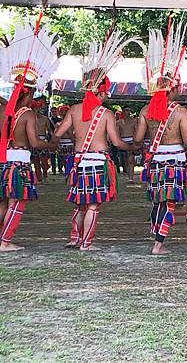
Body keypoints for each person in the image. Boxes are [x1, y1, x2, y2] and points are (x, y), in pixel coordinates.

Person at [52, 29, 137, 251]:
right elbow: (117, 143)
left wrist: (76, 137)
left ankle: (75, 238)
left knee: (80, 203)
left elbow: (57, 135)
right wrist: (133, 147)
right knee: (92, 205)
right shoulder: (107, 114)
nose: (108, 95)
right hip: (98, 162)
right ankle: (86, 243)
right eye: (106, 91)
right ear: (100, 91)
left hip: (79, 160)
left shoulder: (73, 110)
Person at [135, 21, 187, 255]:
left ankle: (157, 237)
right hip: (175, 160)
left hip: (156, 161)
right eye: (177, 86)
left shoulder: (144, 112)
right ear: (171, 88)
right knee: (169, 202)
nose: (179, 90)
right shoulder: (180, 112)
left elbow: (139, 139)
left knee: (157, 200)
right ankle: (158, 244)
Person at [0, 21, 59, 251]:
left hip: (3, 160)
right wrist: (50, 145)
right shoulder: (29, 115)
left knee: (3, 201)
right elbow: (34, 143)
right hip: (19, 162)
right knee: (17, 201)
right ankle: (5, 241)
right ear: (31, 92)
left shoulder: (4, 111)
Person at [31, 97, 52, 183]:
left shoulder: (45, 119)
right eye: (36, 108)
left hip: (43, 140)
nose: (38, 110)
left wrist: (53, 138)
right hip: (33, 140)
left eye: (39, 108)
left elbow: (49, 130)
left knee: (44, 161)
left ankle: (45, 176)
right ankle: (39, 178)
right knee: (36, 161)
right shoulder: (30, 118)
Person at [117, 106, 137, 183]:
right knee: (125, 161)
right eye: (126, 110)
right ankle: (129, 176)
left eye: (129, 110)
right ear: (123, 112)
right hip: (123, 142)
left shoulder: (134, 121)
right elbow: (117, 133)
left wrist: (137, 142)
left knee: (131, 159)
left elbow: (137, 131)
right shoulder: (119, 122)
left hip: (132, 141)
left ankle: (131, 178)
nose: (128, 112)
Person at [48, 106, 61, 175]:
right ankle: (53, 170)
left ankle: (60, 168)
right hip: (51, 138)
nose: (54, 113)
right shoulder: (49, 120)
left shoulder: (60, 119)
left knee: (59, 155)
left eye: (55, 111)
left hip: (59, 138)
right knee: (52, 155)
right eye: (52, 112)